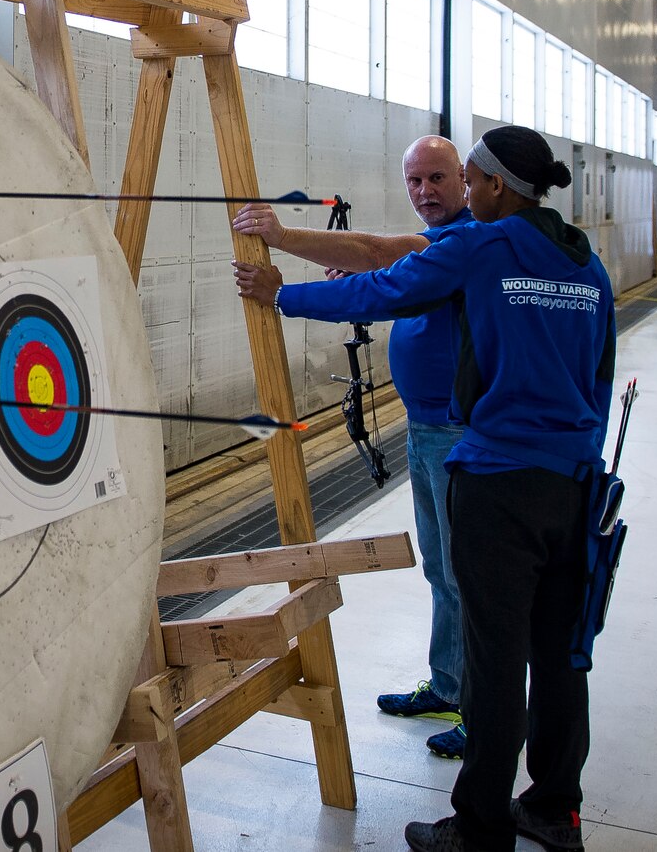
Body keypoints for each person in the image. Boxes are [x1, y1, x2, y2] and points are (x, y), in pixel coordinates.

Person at [234, 126, 614, 852]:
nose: (461, 193)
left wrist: (285, 295)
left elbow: (386, 287)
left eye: (467, 179)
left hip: (499, 481)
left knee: (496, 654)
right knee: (562, 653)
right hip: (572, 482)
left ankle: (479, 827)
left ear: (498, 185)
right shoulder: (583, 259)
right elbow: (600, 374)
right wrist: (585, 466)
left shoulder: (482, 245)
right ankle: (555, 808)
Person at [231, 135, 472, 759]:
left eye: (437, 178)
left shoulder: (462, 244)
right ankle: (451, 684)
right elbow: (380, 262)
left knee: (471, 577)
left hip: (457, 436)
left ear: (466, 182)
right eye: (415, 181)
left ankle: (485, 708)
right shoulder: (437, 246)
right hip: (427, 430)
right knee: (445, 570)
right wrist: (358, 269)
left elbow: (376, 253)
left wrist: (282, 273)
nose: (425, 191)